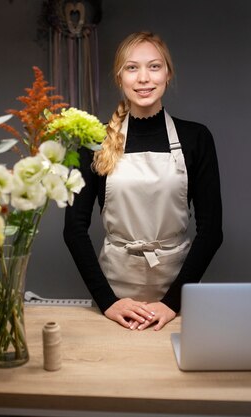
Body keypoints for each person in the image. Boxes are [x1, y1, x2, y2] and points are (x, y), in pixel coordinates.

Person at [63, 31, 223, 331]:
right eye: (132, 68)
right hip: (114, 302)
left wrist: (172, 303)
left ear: (168, 74)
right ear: (119, 77)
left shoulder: (196, 138)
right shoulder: (94, 141)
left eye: (154, 66)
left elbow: (212, 231)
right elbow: (73, 230)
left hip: (178, 302)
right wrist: (109, 302)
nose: (143, 78)